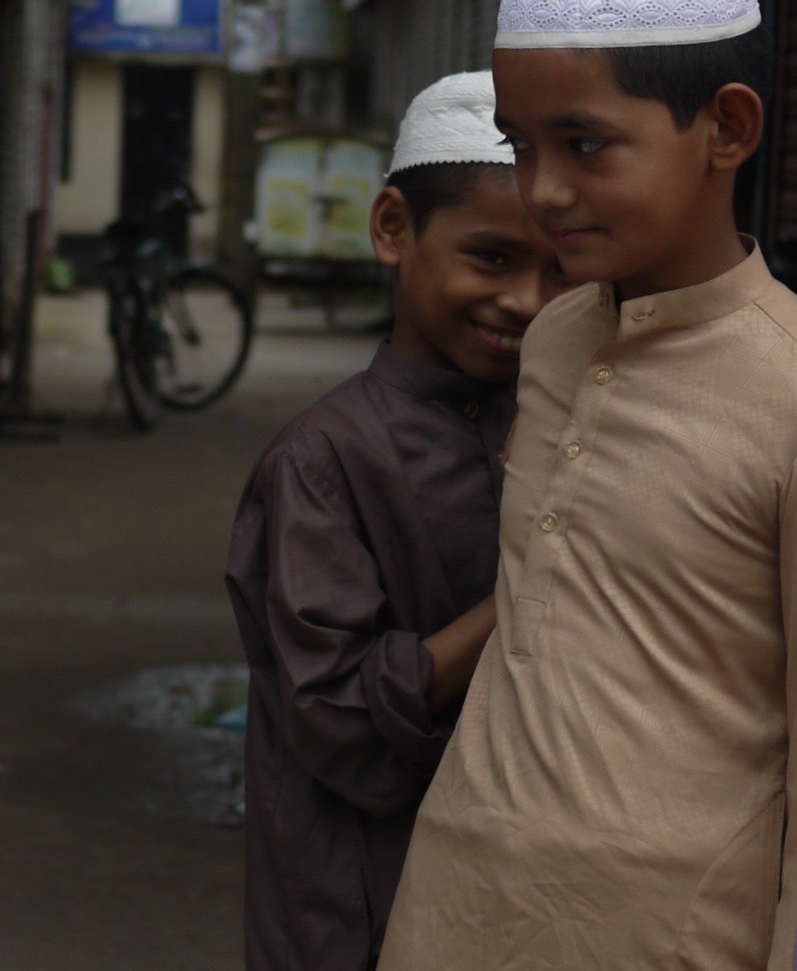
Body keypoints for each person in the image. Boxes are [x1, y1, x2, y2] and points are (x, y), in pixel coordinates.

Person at [378, 0, 797, 971]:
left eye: (584, 145)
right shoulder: (555, 343)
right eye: (523, 148)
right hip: (452, 915)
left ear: (725, 128)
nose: (542, 192)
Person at [225, 72, 573, 970]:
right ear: (392, 229)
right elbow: (337, 712)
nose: (527, 302)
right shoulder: (321, 461)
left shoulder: (565, 426)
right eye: (490, 258)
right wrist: (527, 594)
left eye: (558, 271)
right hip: (356, 900)